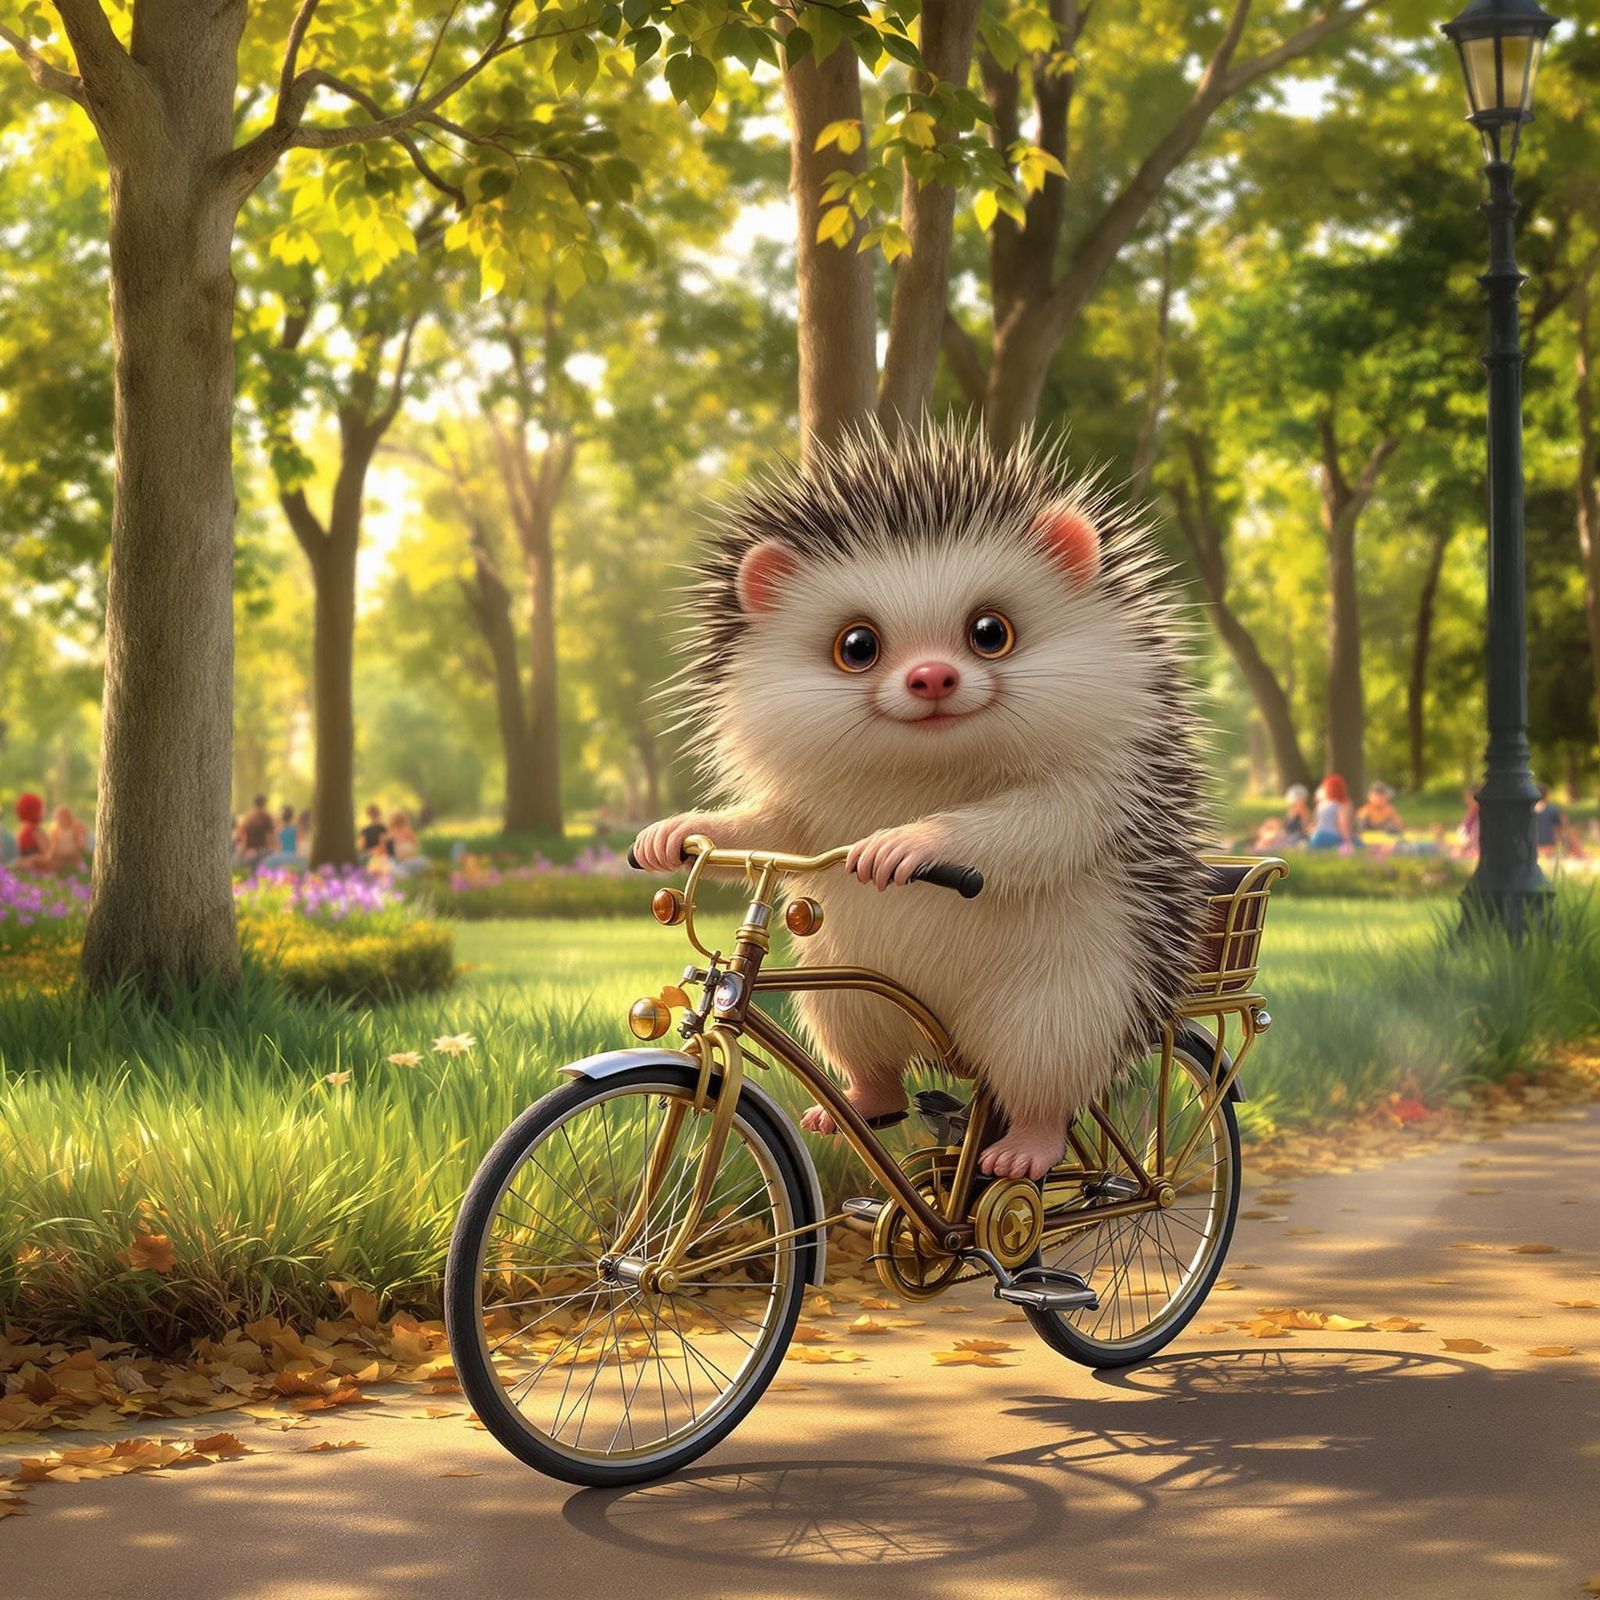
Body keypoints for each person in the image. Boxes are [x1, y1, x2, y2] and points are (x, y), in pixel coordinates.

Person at [1308, 774, 1357, 850]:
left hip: (1317, 837)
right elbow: (1343, 824)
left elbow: (1315, 824)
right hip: (1332, 837)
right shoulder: (1343, 805)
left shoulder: (1321, 805)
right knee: (1359, 844)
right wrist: (1348, 841)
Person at [384, 810, 431, 880]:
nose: (398, 826)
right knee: (395, 867)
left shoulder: (408, 832)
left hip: (410, 860)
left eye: (399, 822)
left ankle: (410, 875)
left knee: (424, 862)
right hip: (398, 862)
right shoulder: (390, 836)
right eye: (396, 823)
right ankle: (408, 875)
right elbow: (389, 855)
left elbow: (416, 848)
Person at [234, 794, 277, 868]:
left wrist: (244, 851)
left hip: (248, 853)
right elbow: (270, 838)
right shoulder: (266, 818)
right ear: (264, 804)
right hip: (262, 853)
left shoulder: (247, 817)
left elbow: (240, 836)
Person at [13, 792, 50, 872]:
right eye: (42, 808)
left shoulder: (22, 830)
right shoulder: (36, 831)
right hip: (39, 871)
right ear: (34, 810)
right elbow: (49, 855)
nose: (44, 811)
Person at [47, 805, 89, 874]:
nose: (62, 820)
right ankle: (58, 870)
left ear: (69, 818)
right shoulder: (56, 830)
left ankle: (82, 869)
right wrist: (50, 854)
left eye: (64, 818)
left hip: (72, 851)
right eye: (59, 818)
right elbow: (54, 844)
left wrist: (82, 844)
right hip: (61, 852)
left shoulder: (73, 827)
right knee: (56, 861)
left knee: (76, 857)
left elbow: (81, 833)